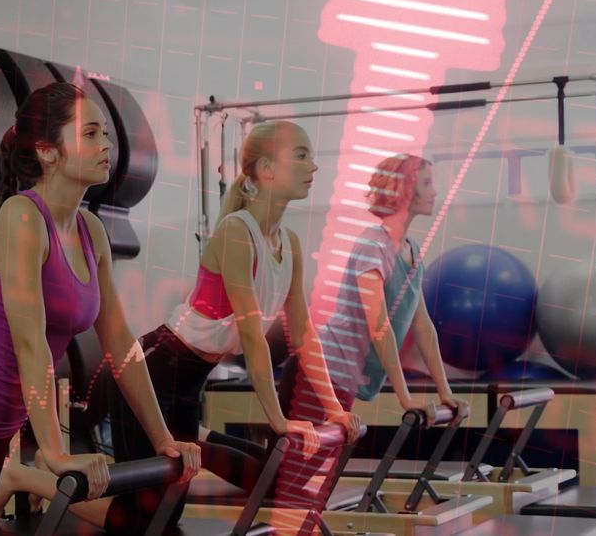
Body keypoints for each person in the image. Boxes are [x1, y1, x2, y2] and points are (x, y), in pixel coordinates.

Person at [0, 82, 201, 535]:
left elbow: (122, 345)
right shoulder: (22, 218)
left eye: (105, 133)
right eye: (90, 133)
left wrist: (163, 438)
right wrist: (55, 451)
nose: (106, 144)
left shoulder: (91, 231)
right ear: (48, 152)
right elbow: (30, 343)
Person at [108, 120, 362, 532]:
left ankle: (198, 439)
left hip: (188, 384)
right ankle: (30, 482)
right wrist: (278, 420)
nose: (313, 167)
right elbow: (250, 334)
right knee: (144, 521)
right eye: (301, 155)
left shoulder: (289, 243)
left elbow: (304, 336)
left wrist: (334, 408)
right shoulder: (236, 234)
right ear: (266, 168)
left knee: (164, 516)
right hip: (151, 371)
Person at [273, 154, 470, 522]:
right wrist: (405, 398)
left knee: (310, 484)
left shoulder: (411, 252)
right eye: (427, 183)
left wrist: (445, 392)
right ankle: (207, 449)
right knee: (296, 487)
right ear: (404, 191)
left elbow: (422, 327)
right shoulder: (372, 246)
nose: (436, 191)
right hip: (318, 376)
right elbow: (378, 325)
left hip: (341, 381)